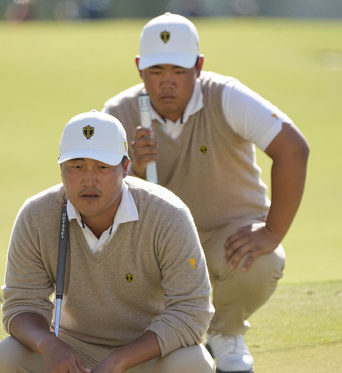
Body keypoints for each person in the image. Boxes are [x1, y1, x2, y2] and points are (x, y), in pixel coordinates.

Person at [103, 13, 310, 373]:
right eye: (156, 71)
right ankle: (153, 337)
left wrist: (272, 232)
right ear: (139, 68)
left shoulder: (226, 96)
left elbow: (294, 150)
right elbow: (91, 200)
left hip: (226, 234)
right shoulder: (117, 115)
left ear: (198, 67)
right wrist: (130, 169)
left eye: (178, 71)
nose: (167, 82)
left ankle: (225, 333)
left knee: (262, 260)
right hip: (156, 244)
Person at [0, 110, 216, 373]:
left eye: (102, 167)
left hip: (147, 353)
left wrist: (118, 361)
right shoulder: (37, 215)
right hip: (72, 350)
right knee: (2, 358)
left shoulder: (167, 214)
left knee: (195, 364)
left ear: (125, 168)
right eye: (77, 166)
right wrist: (49, 344)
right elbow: (21, 303)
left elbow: (191, 311)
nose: (88, 180)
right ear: (61, 167)